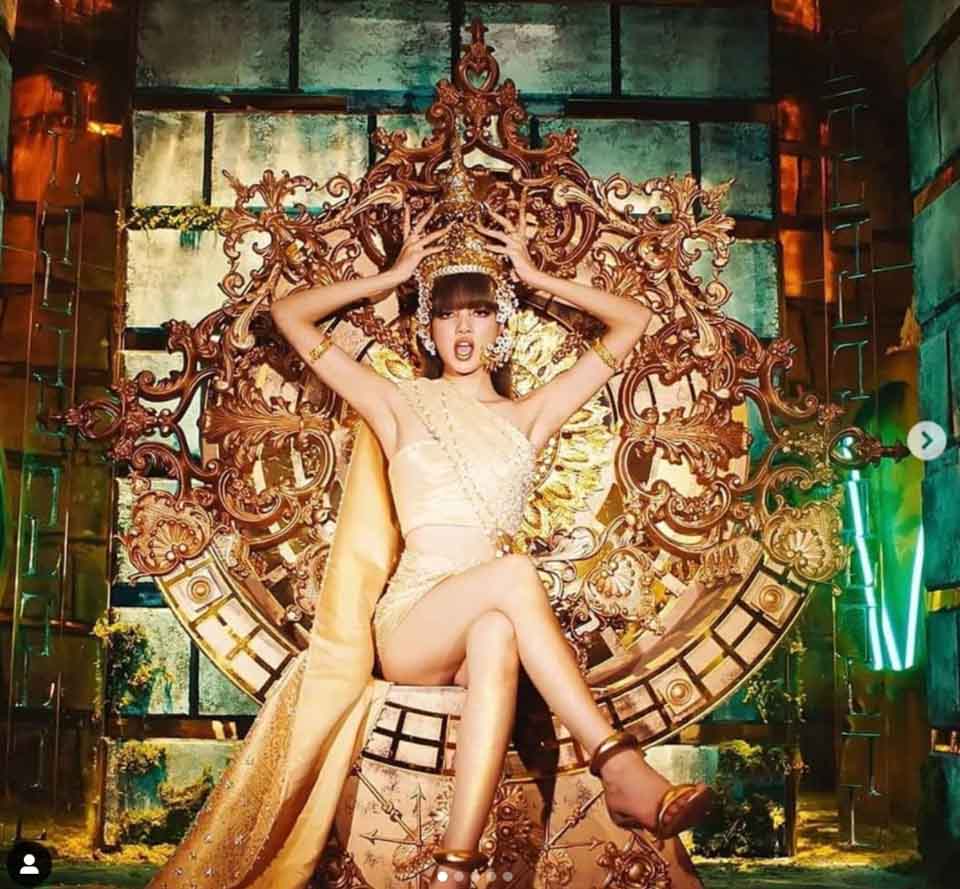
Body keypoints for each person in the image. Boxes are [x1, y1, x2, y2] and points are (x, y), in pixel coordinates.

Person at [268, 159, 715, 886]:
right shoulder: (398, 402)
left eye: (478, 310)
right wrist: (391, 278)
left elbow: (633, 322)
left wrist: (536, 277)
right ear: (428, 326)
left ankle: (455, 865)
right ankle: (616, 763)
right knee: (511, 576)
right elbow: (290, 316)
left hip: (487, 617)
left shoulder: (527, 417)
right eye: (446, 312)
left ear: (501, 325)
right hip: (412, 624)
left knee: (499, 631)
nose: (462, 326)